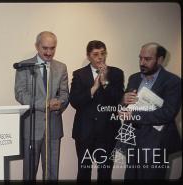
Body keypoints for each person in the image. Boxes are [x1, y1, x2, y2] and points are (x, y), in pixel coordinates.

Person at [119, 42, 181, 180]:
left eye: (147, 59)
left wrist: (134, 115)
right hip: (132, 140)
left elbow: (168, 113)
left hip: (156, 143)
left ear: (160, 60)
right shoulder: (134, 78)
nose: (142, 62)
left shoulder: (173, 82)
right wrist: (123, 100)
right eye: (140, 58)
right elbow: (126, 105)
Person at [14, 31, 69, 180]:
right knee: (29, 173)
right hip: (31, 127)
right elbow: (20, 94)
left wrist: (59, 103)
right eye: (45, 48)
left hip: (53, 128)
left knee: (52, 173)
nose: (49, 52)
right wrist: (45, 104)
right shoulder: (24, 66)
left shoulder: (61, 67)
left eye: (53, 48)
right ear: (37, 46)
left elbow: (64, 94)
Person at [69, 40, 124, 183]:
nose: (100, 57)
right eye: (95, 54)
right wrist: (93, 88)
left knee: (105, 172)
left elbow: (119, 99)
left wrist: (105, 82)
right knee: (83, 172)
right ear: (88, 56)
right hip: (84, 132)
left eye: (103, 53)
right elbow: (74, 101)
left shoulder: (117, 73)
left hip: (108, 132)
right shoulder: (79, 74)